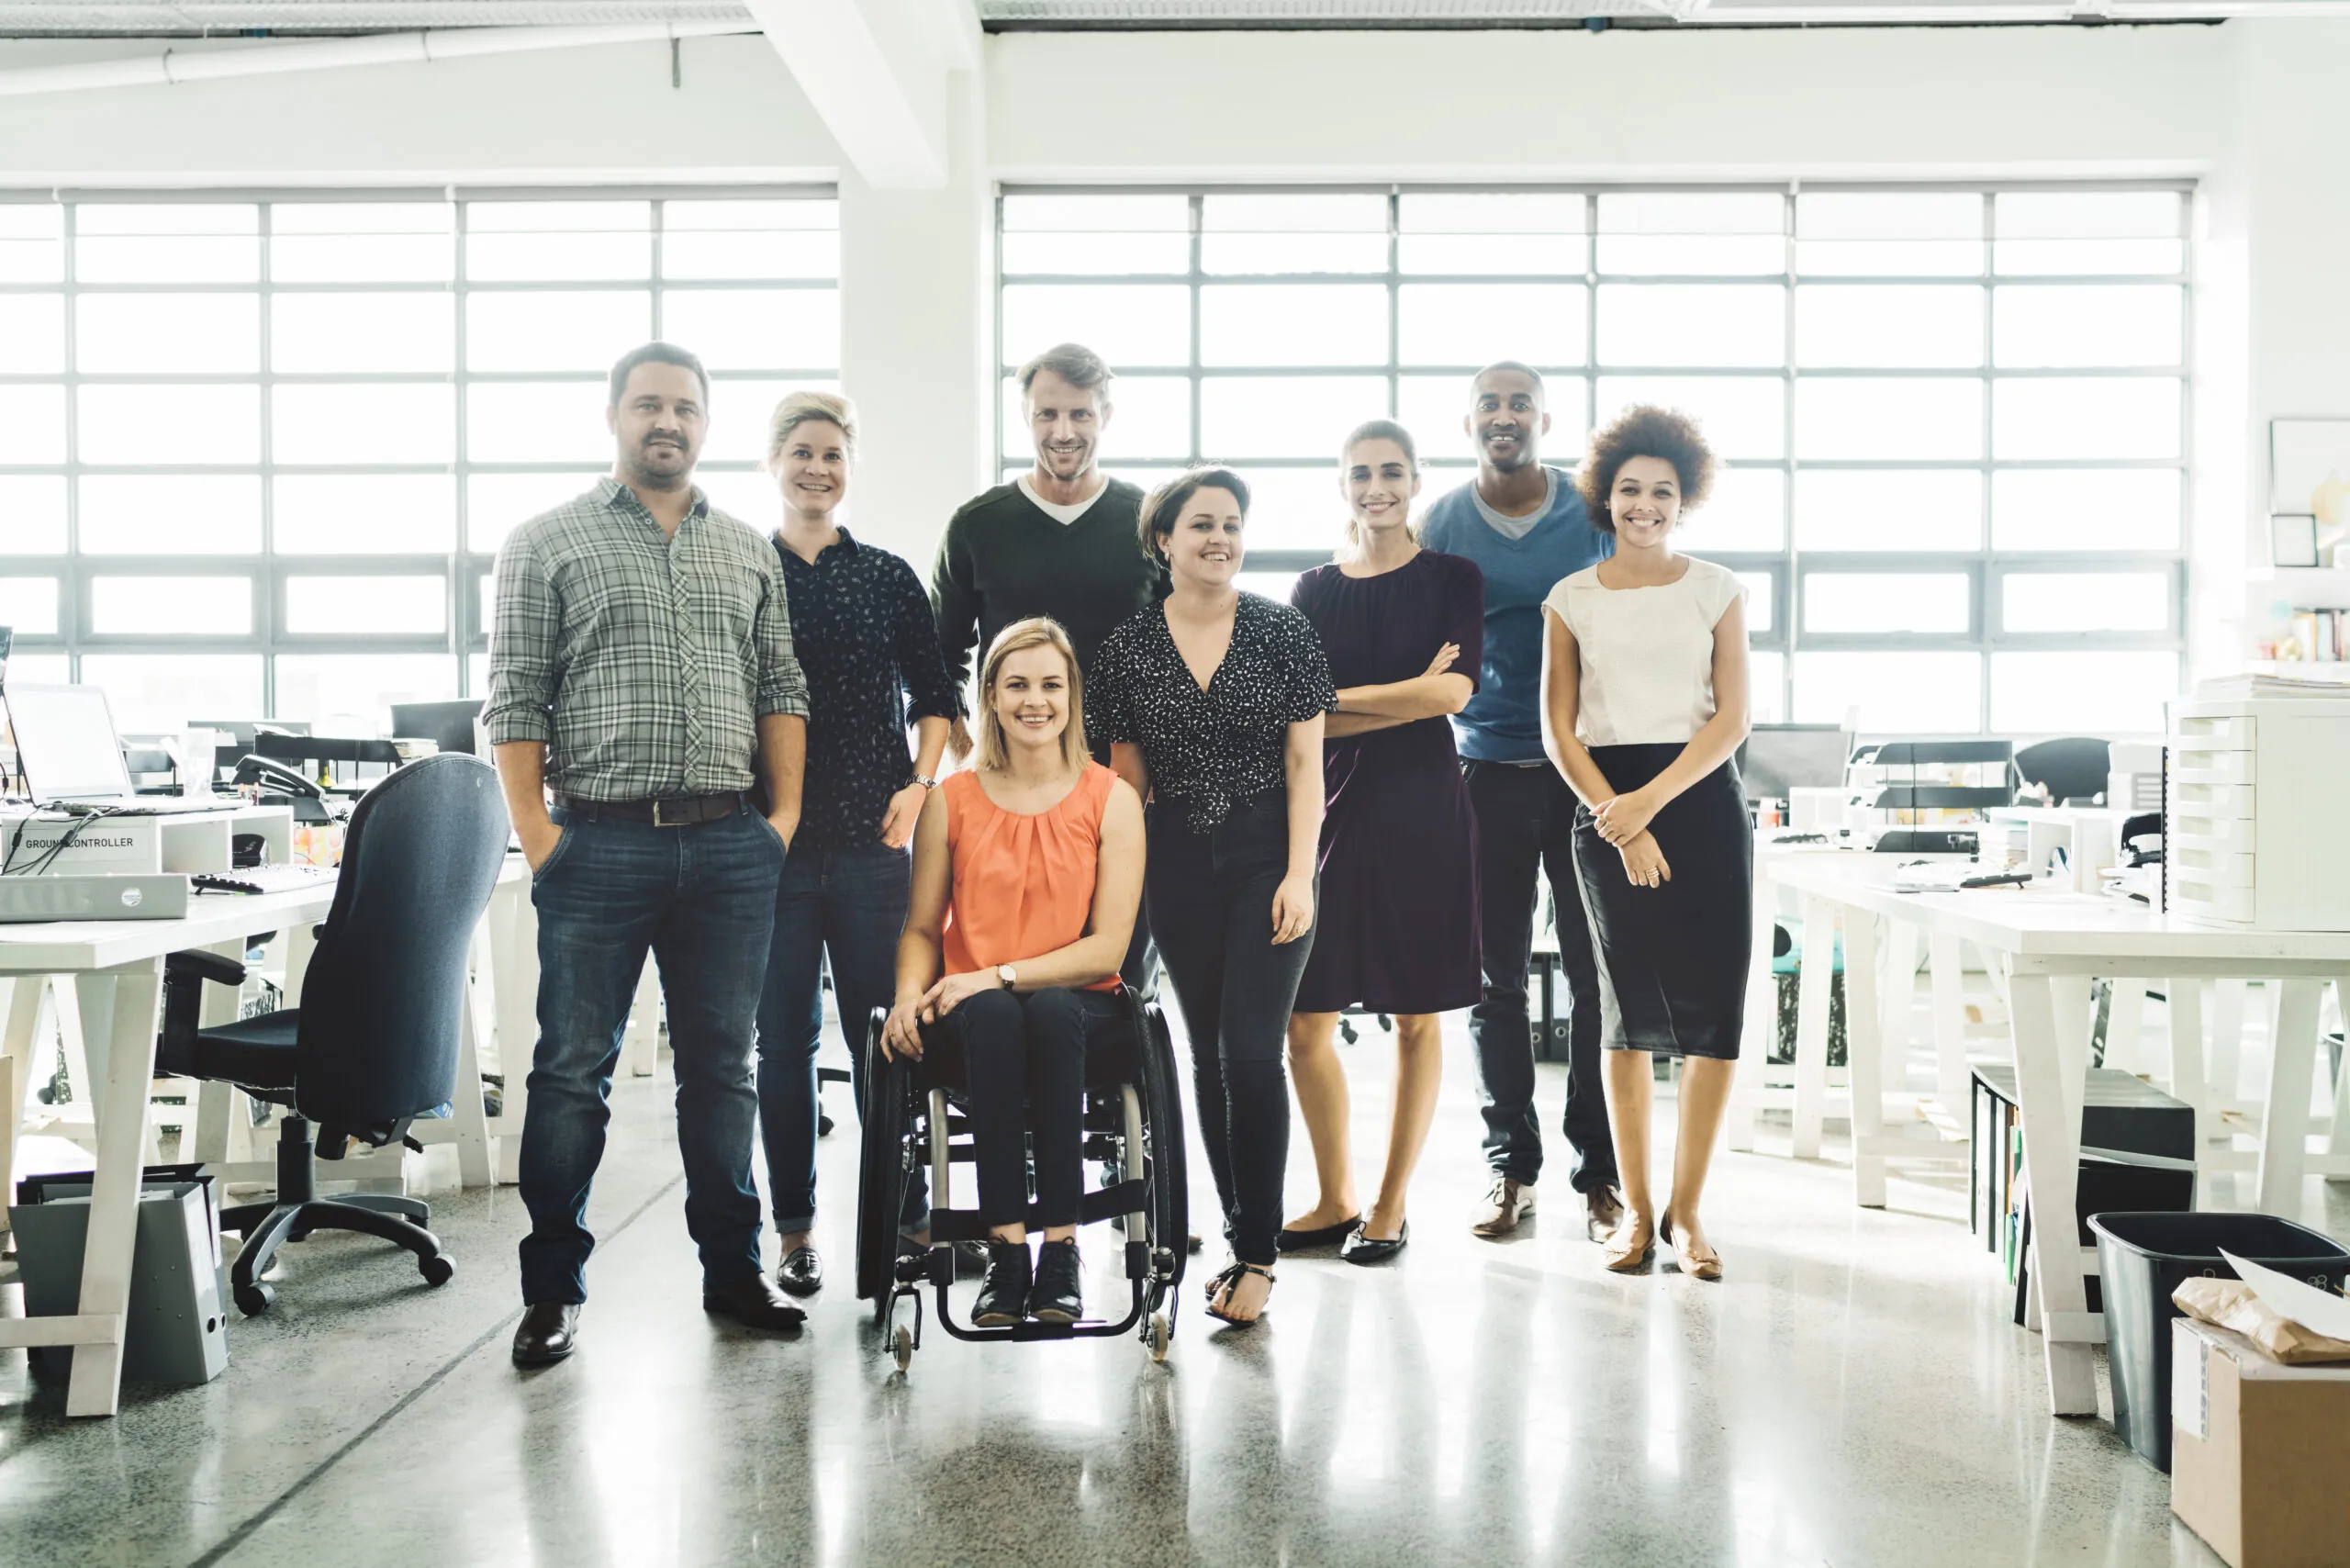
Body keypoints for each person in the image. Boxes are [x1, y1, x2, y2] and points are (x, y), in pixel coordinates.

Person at [488, 342, 812, 1368]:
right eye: (646, 405)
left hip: (730, 845)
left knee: (724, 1071)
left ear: (706, 424)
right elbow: (514, 697)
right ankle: (551, 1290)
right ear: (614, 417)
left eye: (683, 407)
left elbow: (781, 689)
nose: (664, 422)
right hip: (600, 845)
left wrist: (784, 819)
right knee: (571, 1074)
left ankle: (735, 1272)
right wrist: (543, 838)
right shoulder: (546, 542)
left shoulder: (747, 550)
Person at [1090, 468, 1334, 1326]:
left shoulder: (1283, 631)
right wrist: (1120, 894)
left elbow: (1308, 767)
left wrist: (1301, 874)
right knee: (1202, 1057)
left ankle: (1259, 1257)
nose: (1220, 538)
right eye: (1201, 525)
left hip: (1272, 856)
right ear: (1164, 541)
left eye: (1232, 524)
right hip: (1178, 860)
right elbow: (1126, 783)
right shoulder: (1124, 650)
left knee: (1250, 1053)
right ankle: (1239, 1238)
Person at [878, 618, 1145, 1327]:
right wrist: (909, 998)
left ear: (1071, 696)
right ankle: (1006, 1252)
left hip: (1079, 1003)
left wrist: (995, 974)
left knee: (1048, 1009)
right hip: (977, 1013)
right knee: (999, 1016)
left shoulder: (1111, 797)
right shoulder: (951, 800)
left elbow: (1108, 951)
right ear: (990, 695)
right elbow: (920, 929)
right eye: (1017, 684)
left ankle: (1060, 1252)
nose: (1036, 700)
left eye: (1051, 685)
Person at [1539, 405, 1752, 1280]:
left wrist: (1651, 805)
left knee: (1713, 1019)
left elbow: (1734, 718)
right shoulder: (1571, 597)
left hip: (1698, 801)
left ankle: (1688, 1214)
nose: (1645, 504)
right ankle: (1630, 1213)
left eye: (1662, 491)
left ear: (1684, 499)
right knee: (1623, 1020)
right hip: (1602, 806)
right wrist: (1613, 817)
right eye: (1630, 489)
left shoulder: (1716, 588)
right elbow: (1559, 728)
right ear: (1606, 496)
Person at [754, 391, 958, 1297]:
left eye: (832, 454)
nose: (817, 468)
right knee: (782, 1041)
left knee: (889, 1037)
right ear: (774, 462)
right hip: (775, 847)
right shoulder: (742, 570)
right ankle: (795, 1232)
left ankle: (905, 1215)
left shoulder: (883, 575)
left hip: (876, 843)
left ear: (849, 468)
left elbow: (937, 695)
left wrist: (921, 787)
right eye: (801, 452)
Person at [1417, 361, 1624, 1245]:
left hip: (1586, 769)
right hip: (1487, 766)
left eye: (1519, 403)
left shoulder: (1589, 509)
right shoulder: (1445, 520)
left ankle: (1602, 1175)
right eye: (1489, 405)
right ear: (1468, 423)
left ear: (1545, 417)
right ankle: (1510, 1168)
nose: (1505, 417)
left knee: (1595, 978)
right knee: (1494, 981)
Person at [1281, 420, 1483, 1266]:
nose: (1378, 487)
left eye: (1392, 472)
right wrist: (1393, 695)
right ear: (1341, 484)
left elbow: (1451, 695)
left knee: (1414, 1017)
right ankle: (1335, 1196)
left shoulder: (1451, 578)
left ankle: (1391, 1205)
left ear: (1416, 480)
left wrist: (1338, 701)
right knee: (1304, 1019)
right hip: (1322, 808)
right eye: (1361, 473)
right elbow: (1294, 709)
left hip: (1422, 809)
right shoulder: (1312, 590)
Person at [932, 342, 1162, 767]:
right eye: (1047, 414)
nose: (1063, 432)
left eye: (1081, 414)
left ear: (1105, 417)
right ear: (1026, 416)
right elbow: (937, 660)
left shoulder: (1151, 522)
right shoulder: (975, 525)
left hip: (1125, 785)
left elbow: (1180, 656)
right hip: (1007, 779)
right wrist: (967, 757)